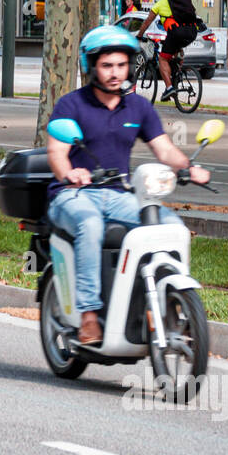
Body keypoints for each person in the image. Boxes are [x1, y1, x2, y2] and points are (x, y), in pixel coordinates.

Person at [46, 26, 210, 346]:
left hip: (120, 195)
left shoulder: (138, 107)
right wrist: (70, 174)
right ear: (91, 65)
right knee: (90, 225)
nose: (115, 73)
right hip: (74, 195)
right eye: (107, 66)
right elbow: (56, 154)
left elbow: (162, 149)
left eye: (121, 65)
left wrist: (190, 167)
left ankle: (163, 298)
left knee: (168, 224)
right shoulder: (71, 105)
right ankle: (90, 316)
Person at [136, 0, 200, 101]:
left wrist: (140, 35)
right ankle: (178, 74)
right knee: (176, 49)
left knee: (163, 59)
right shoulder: (183, 2)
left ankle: (170, 88)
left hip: (176, 33)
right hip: (192, 32)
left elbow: (147, 22)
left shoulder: (161, 3)